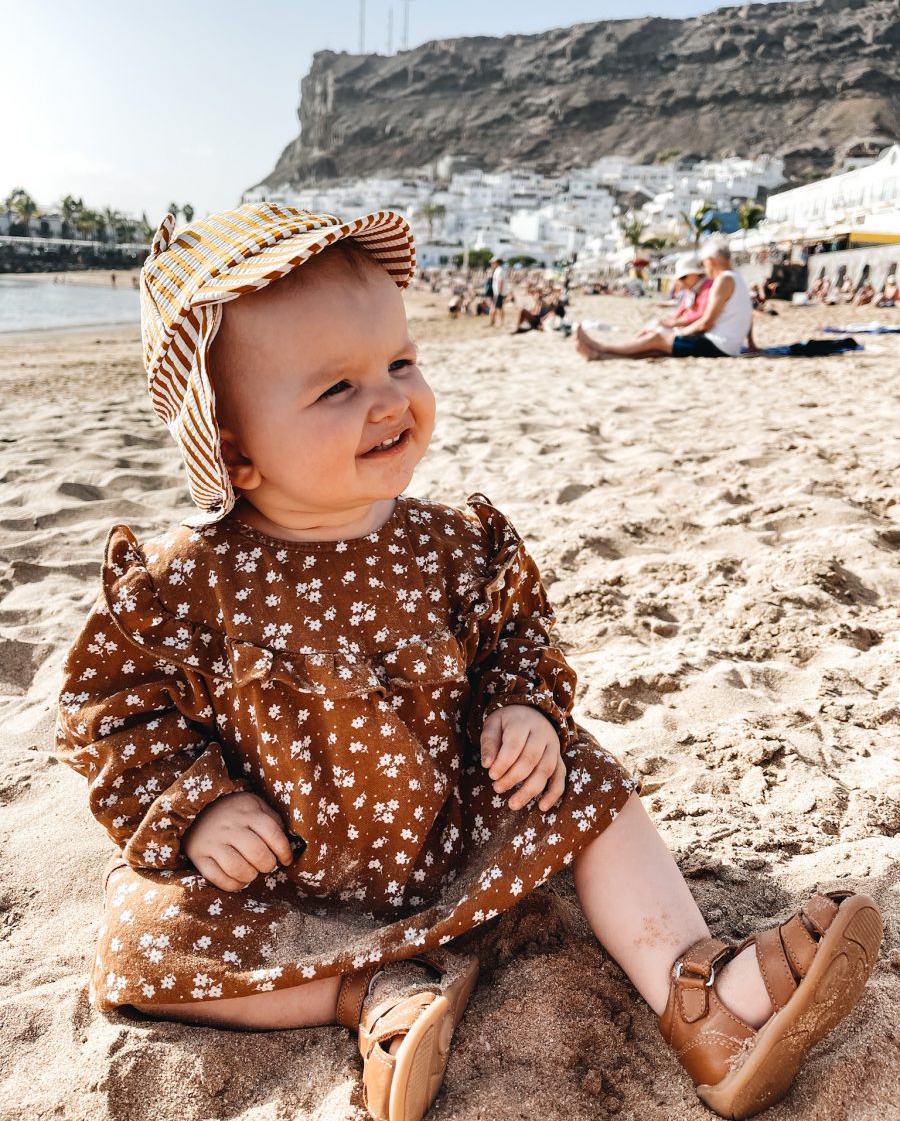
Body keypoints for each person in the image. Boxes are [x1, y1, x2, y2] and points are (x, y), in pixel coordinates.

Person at [57, 203, 882, 1121]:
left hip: (455, 825)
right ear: (232, 448)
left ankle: (698, 990)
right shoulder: (186, 583)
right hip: (285, 874)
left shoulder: (455, 543)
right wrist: (198, 808)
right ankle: (365, 992)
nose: (389, 400)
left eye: (400, 363)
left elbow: (516, 636)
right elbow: (113, 712)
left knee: (587, 782)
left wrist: (522, 708)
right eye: (337, 389)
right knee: (139, 950)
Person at [576, 241, 755, 359]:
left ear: (710, 261)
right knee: (656, 348)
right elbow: (747, 314)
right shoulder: (737, 278)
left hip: (717, 345)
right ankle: (598, 355)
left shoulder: (724, 280)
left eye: (704, 263)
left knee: (657, 338)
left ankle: (601, 347)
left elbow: (706, 323)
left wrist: (680, 333)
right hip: (726, 346)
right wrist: (751, 344)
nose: (704, 268)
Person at [489, 257, 510, 327]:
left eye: (492, 263)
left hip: (498, 292)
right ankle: (493, 322)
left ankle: (500, 322)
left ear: (497, 263)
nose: (491, 264)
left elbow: (500, 282)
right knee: (497, 307)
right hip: (498, 292)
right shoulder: (500, 270)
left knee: (499, 308)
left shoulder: (499, 270)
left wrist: (499, 293)